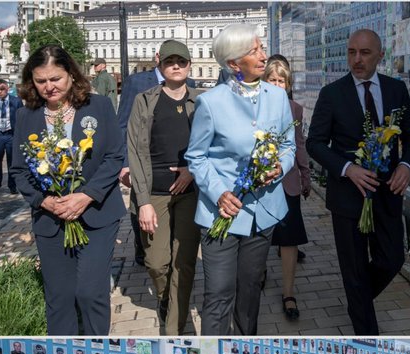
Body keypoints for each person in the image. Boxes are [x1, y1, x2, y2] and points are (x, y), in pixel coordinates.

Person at [307, 29, 410, 335]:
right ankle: (367, 332)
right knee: (354, 269)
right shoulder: (332, 94)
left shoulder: (396, 90)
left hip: (387, 193)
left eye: (365, 53)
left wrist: (406, 166)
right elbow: (315, 143)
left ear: (380, 55)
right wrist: (347, 168)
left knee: (392, 259)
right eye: (351, 52)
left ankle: (357, 299)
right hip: (348, 196)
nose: (357, 60)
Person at [184, 23, 295, 335]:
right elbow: (197, 156)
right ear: (234, 64)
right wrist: (219, 193)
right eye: (254, 50)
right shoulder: (211, 102)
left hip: (264, 213)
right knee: (219, 294)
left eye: (261, 47)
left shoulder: (277, 96)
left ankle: (245, 349)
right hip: (222, 212)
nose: (263, 55)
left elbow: (288, 145)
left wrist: (280, 168)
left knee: (249, 294)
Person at [11, 45, 125, 335]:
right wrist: (45, 202)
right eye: (40, 80)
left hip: (97, 213)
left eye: (55, 79)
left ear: (71, 75)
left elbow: (114, 155)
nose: (48, 87)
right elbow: (19, 172)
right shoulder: (26, 115)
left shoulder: (97, 107)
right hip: (51, 219)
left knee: (89, 292)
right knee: (59, 298)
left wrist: (86, 195)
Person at [126, 39, 200, 335]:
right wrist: (142, 201)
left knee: (184, 264)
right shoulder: (145, 100)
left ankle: (173, 330)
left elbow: (213, 145)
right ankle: (165, 300)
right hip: (154, 192)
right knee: (157, 263)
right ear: (161, 65)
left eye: (181, 62)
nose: (176, 66)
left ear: (189, 65)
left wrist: (192, 171)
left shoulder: (201, 100)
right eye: (170, 62)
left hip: (189, 193)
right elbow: (135, 150)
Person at [264, 55, 312, 321]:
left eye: (282, 81)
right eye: (272, 80)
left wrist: (305, 176)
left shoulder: (295, 109)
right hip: (260, 182)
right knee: (261, 234)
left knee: (290, 237)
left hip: (288, 181)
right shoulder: (253, 107)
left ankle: (288, 292)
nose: (277, 85)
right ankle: (259, 271)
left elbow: (300, 143)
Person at [118, 54, 166, 267]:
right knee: (140, 203)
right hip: (140, 155)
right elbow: (123, 122)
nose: (174, 65)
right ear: (157, 58)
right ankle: (141, 247)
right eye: (168, 59)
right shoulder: (136, 82)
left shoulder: (188, 83)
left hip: (169, 159)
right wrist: (125, 163)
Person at [0, 79, 21, 194]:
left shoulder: (16, 102)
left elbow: (21, 119)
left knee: (12, 161)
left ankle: (12, 185)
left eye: (2, 89)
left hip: (11, 134)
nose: (0, 92)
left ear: (7, 89)